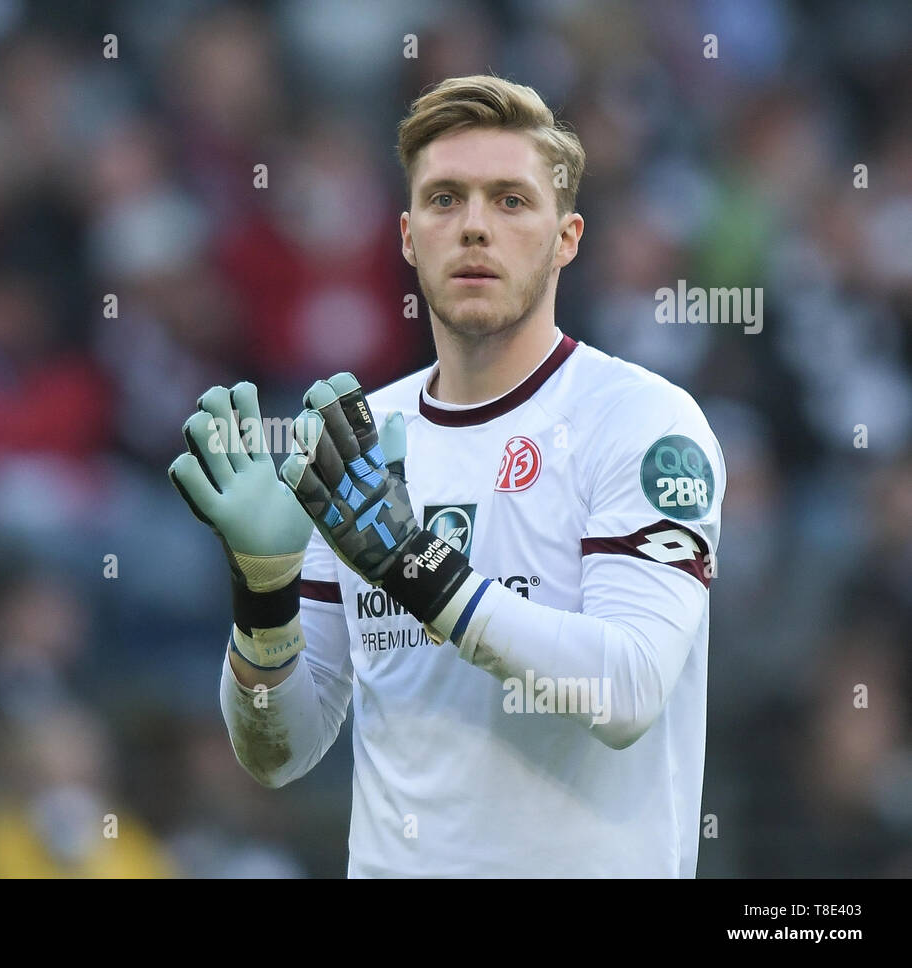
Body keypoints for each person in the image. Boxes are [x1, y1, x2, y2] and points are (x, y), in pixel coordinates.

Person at [169, 75, 725, 877]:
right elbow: (277, 750)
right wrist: (262, 592)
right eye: (444, 199)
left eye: (509, 201)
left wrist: (415, 567)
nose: (473, 227)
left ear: (567, 236)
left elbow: (627, 690)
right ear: (405, 234)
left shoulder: (644, 424)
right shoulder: (354, 444)